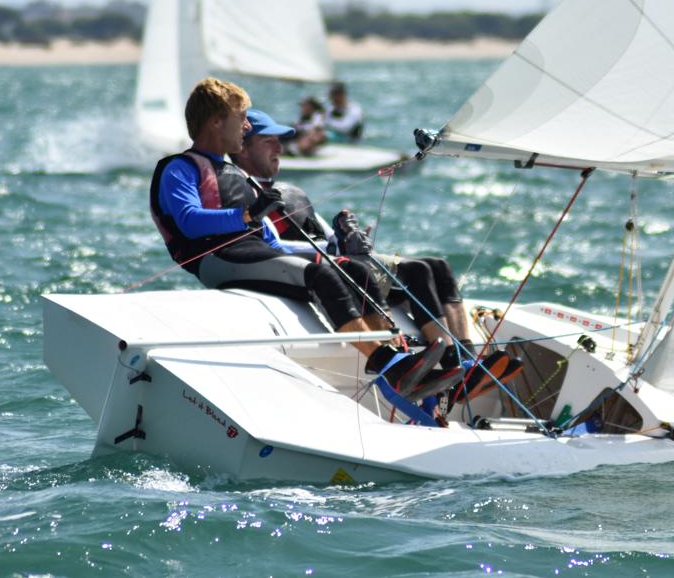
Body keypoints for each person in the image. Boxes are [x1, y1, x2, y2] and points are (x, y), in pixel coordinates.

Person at [149, 78, 458, 401]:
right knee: (320, 274)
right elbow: (189, 221)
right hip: (218, 260)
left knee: (349, 269)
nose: (245, 127)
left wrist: (334, 251)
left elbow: (273, 243)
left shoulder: (238, 175)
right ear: (216, 121)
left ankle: (402, 357)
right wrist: (247, 215)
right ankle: (388, 365)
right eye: (241, 118)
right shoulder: (180, 168)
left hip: (255, 253)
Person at [231, 110, 521, 403]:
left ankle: (464, 362)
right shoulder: (245, 193)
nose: (280, 149)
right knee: (414, 270)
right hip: (319, 267)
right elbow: (267, 243)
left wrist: (348, 236)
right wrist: (337, 249)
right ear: (242, 148)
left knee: (437, 267)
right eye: (269, 141)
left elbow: (321, 232)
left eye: (280, 141)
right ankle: (443, 363)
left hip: (340, 257)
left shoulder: (290, 191)